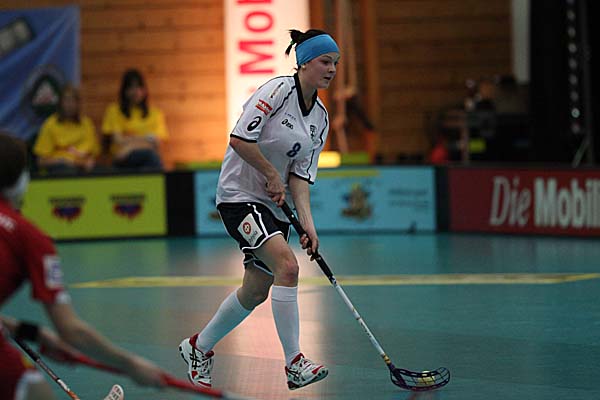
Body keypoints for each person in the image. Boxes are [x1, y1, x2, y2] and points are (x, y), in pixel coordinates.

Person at [178, 28, 339, 391]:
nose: (331, 70)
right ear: (304, 63)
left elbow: (300, 177)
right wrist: (269, 173)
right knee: (288, 267)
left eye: (335, 64)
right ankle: (295, 363)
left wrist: (309, 226)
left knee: (254, 291)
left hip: (273, 208)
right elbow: (239, 139)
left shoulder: (321, 118)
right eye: (325, 62)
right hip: (239, 197)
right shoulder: (277, 92)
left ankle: (198, 347)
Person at [0, 132, 166, 400]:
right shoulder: (29, 238)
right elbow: (72, 331)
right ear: (20, 182)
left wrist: (35, 332)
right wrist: (131, 365)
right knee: (34, 390)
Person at [101, 69, 168, 170]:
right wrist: (146, 139)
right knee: (151, 157)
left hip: (145, 158)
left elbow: (157, 144)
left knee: (150, 156)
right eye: (131, 87)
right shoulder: (114, 111)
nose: (136, 91)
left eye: (139, 87)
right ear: (124, 91)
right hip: (123, 159)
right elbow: (118, 140)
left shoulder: (155, 113)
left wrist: (130, 147)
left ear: (144, 90)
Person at [33, 85, 100, 175]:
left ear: (78, 104)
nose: (70, 105)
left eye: (73, 101)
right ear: (60, 103)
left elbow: (93, 154)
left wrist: (89, 161)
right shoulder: (50, 124)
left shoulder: (86, 123)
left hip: (83, 169)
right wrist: (61, 161)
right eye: (67, 100)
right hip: (60, 170)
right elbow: (41, 161)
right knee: (67, 169)